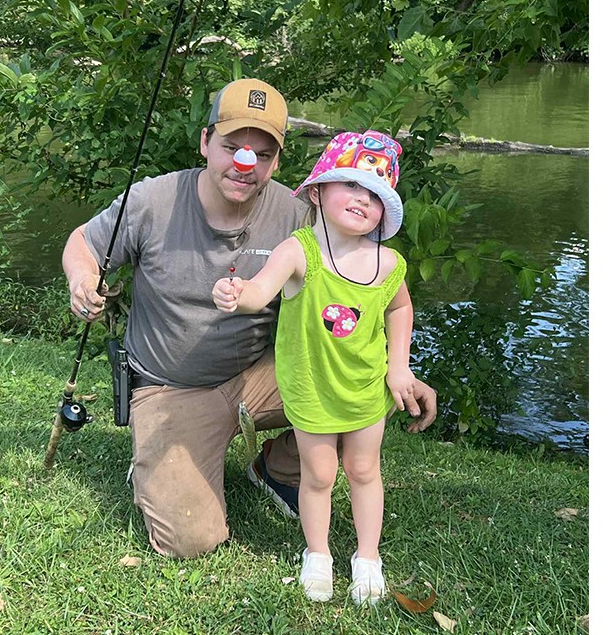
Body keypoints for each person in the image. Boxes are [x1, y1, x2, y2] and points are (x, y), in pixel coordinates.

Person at [62, 79, 437, 558]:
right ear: (204, 141)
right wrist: (83, 279)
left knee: (365, 390)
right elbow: (84, 244)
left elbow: (365, 292)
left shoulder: (301, 212)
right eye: (232, 147)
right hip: (172, 385)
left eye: (262, 154)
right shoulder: (151, 201)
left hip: (266, 373)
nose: (245, 164)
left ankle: (278, 467)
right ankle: (158, 450)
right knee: (190, 539)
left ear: (277, 161)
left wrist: (399, 370)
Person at [212, 130, 414, 605]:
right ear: (320, 191)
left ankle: (368, 557)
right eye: (352, 186)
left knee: (365, 471)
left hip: (365, 389)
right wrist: (237, 296)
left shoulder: (389, 263)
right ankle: (318, 554)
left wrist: (399, 368)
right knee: (319, 475)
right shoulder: (298, 250)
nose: (363, 200)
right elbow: (260, 291)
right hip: (311, 389)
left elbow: (399, 310)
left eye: (376, 195)